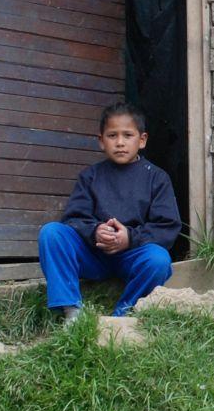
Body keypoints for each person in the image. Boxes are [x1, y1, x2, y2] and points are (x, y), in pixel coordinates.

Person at [38, 102, 180, 322]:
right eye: (112, 135)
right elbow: (74, 218)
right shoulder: (90, 176)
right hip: (94, 255)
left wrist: (129, 238)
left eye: (128, 135)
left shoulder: (156, 178)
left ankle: (123, 313)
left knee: (158, 259)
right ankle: (72, 311)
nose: (120, 142)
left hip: (133, 256)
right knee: (51, 233)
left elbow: (167, 227)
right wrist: (96, 231)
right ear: (101, 141)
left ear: (142, 140)